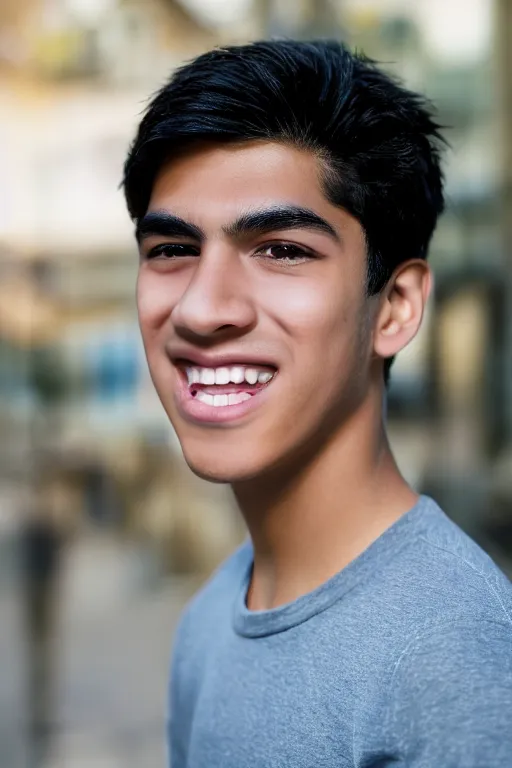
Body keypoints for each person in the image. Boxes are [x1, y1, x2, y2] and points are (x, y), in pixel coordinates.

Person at [123, 40, 512, 767]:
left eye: (283, 250)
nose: (204, 310)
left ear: (394, 307)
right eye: (172, 249)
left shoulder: (453, 662)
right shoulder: (210, 618)